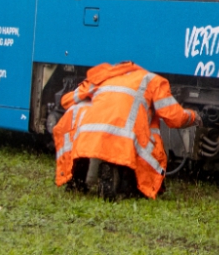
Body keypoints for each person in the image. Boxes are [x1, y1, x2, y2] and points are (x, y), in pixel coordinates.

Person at [52, 61, 201, 199]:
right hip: (126, 136)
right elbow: (173, 116)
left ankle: (76, 182)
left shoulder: (103, 78)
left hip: (88, 134)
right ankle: (129, 187)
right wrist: (194, 116)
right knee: (141, 144)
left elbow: (67, 101)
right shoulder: (153, 81)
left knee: (83, 135)